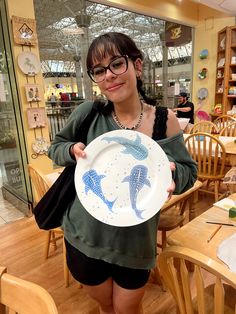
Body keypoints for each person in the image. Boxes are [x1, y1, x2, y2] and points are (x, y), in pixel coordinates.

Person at [48, 32, 197, 314]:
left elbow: (189, 172)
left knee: (128, 310)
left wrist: (174, 176)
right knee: (106, 307)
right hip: (85, 237)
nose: (109, 76)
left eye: (117, 64)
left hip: (135, 243)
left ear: (137, 66)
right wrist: (71, 150)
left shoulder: (165, 122)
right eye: (99, 70)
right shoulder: (88, 114)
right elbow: (56, 147)